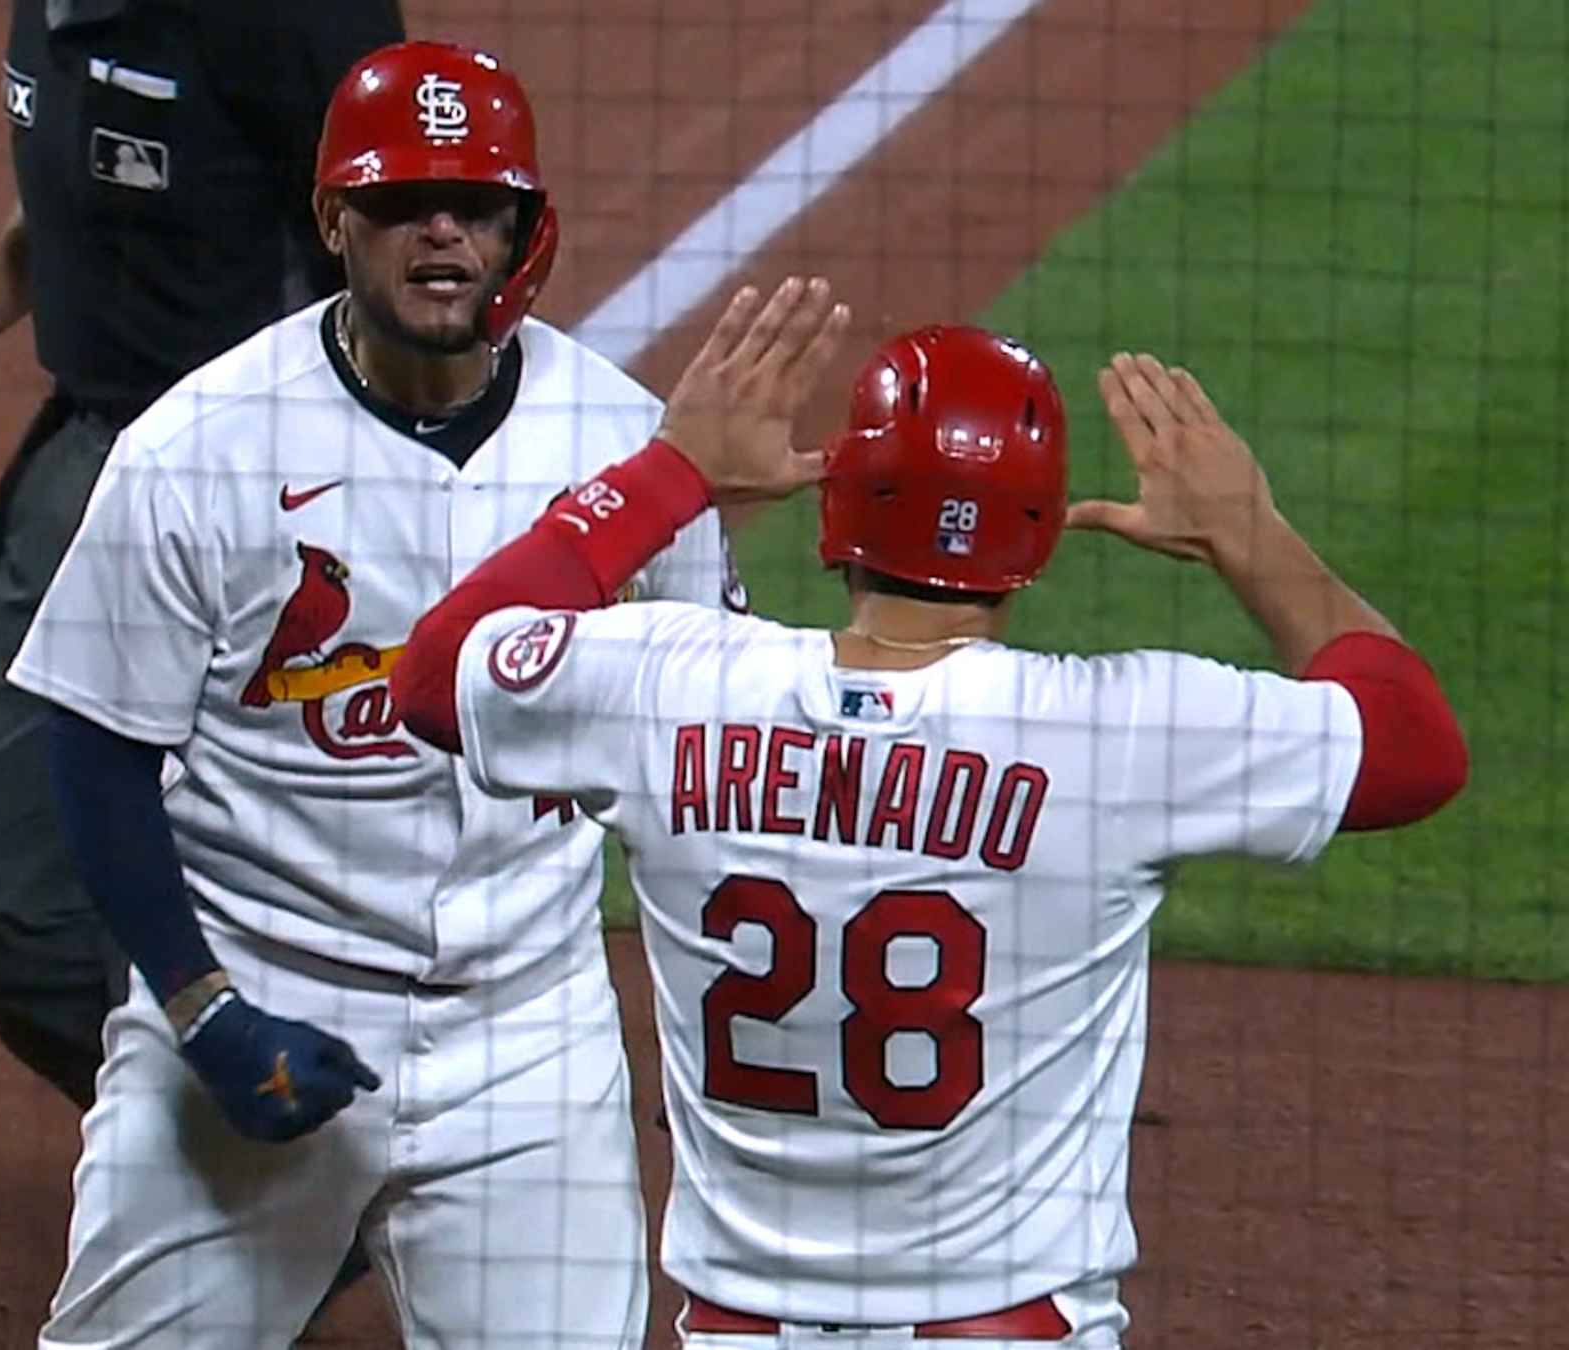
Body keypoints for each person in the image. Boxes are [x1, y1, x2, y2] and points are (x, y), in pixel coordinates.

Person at [393, 276, 1469, 1346]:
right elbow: (1416, 748)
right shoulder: (1117, 733)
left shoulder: (668, 689)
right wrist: (1249, 532)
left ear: (838, 501)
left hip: (740, 1329)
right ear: (1039, 535)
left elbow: (433, 672)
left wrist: (675, 471)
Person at [3, 40, 749, 1349]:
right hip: (263, 989)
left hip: (530, 1039)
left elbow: (716, 741)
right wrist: (201, 1006)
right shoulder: (200, 447)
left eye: (477, 203)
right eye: (404, 203)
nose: (443, 231)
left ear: (525, 228)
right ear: (336, 222)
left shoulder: (626, 447)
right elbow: (95, 748)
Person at [0, 0, 403, 1112]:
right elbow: (74, 183)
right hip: (91, 464)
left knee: (278, 866)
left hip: (262, 493)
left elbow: (403, 238)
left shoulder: (291, 21)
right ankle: (260, 1126)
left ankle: (297, 1149)